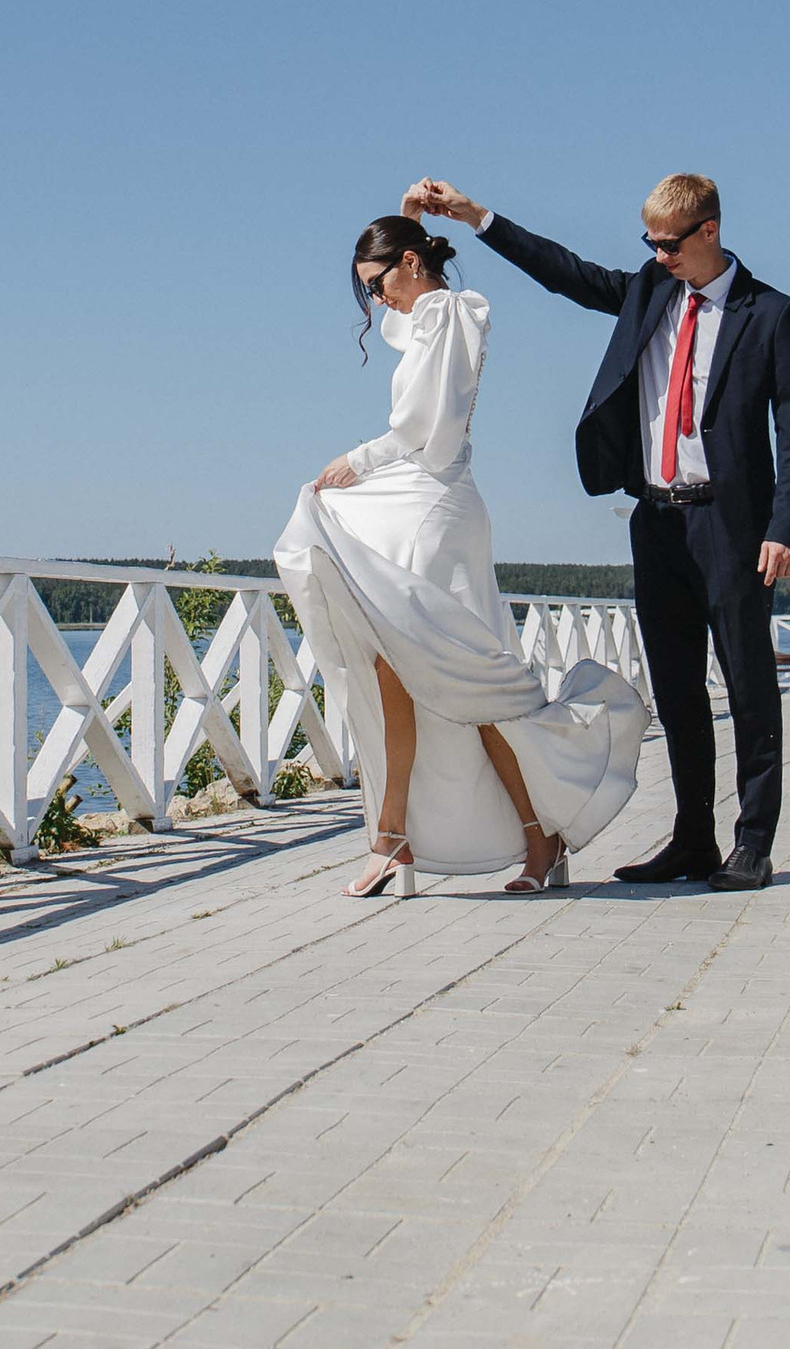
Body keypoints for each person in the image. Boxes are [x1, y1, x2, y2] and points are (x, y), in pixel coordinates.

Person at [402, 173, 790, 893]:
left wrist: (786, 529)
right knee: (679, 689)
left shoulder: (771, 314)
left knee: (749, 687)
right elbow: (565, 273)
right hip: (655, 519)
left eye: (669, 244)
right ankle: (692, 840)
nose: (658, 257)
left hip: (733, 525)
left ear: (708, 231)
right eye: (648, 243)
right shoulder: (651, 292)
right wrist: (476, 218)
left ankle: (753, 844)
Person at [274, 215, 645, 898]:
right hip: (413, 504)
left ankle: (540, 837)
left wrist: (356, 461)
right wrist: (407, 212)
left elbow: (428, 431)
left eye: (379, 283)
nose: (376, 302)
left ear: (413, 264)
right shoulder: (429, 313)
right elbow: (404, 328)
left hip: (432, 508)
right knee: (395, 666)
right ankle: (392, 836)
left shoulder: (448, 311)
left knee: (469, 680)